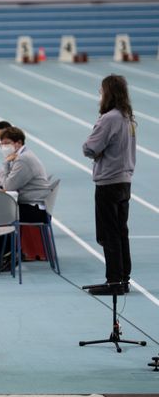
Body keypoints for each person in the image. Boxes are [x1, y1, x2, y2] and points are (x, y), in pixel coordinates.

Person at [83, 74, 136, 295]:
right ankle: (123, 278)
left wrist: (95, 148)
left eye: (101, 91)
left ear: (108, 93)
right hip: (124, 180)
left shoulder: (109, 119)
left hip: (109, 181)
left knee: (108, 234)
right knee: (121, 231)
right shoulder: (128, 117)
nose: (99, 95)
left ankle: (114, 281)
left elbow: (90, 148)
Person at [0, 126, 51, 271]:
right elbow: (4, 182)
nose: (3, 147)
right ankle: (8, 253)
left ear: (18, 143)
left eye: (6, 143)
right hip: (29, 205)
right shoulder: (21, 156)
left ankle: (11, 253)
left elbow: (8, 186)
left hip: (33, 210)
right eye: (2, 144)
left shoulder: (23, 160)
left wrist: (6, 163)